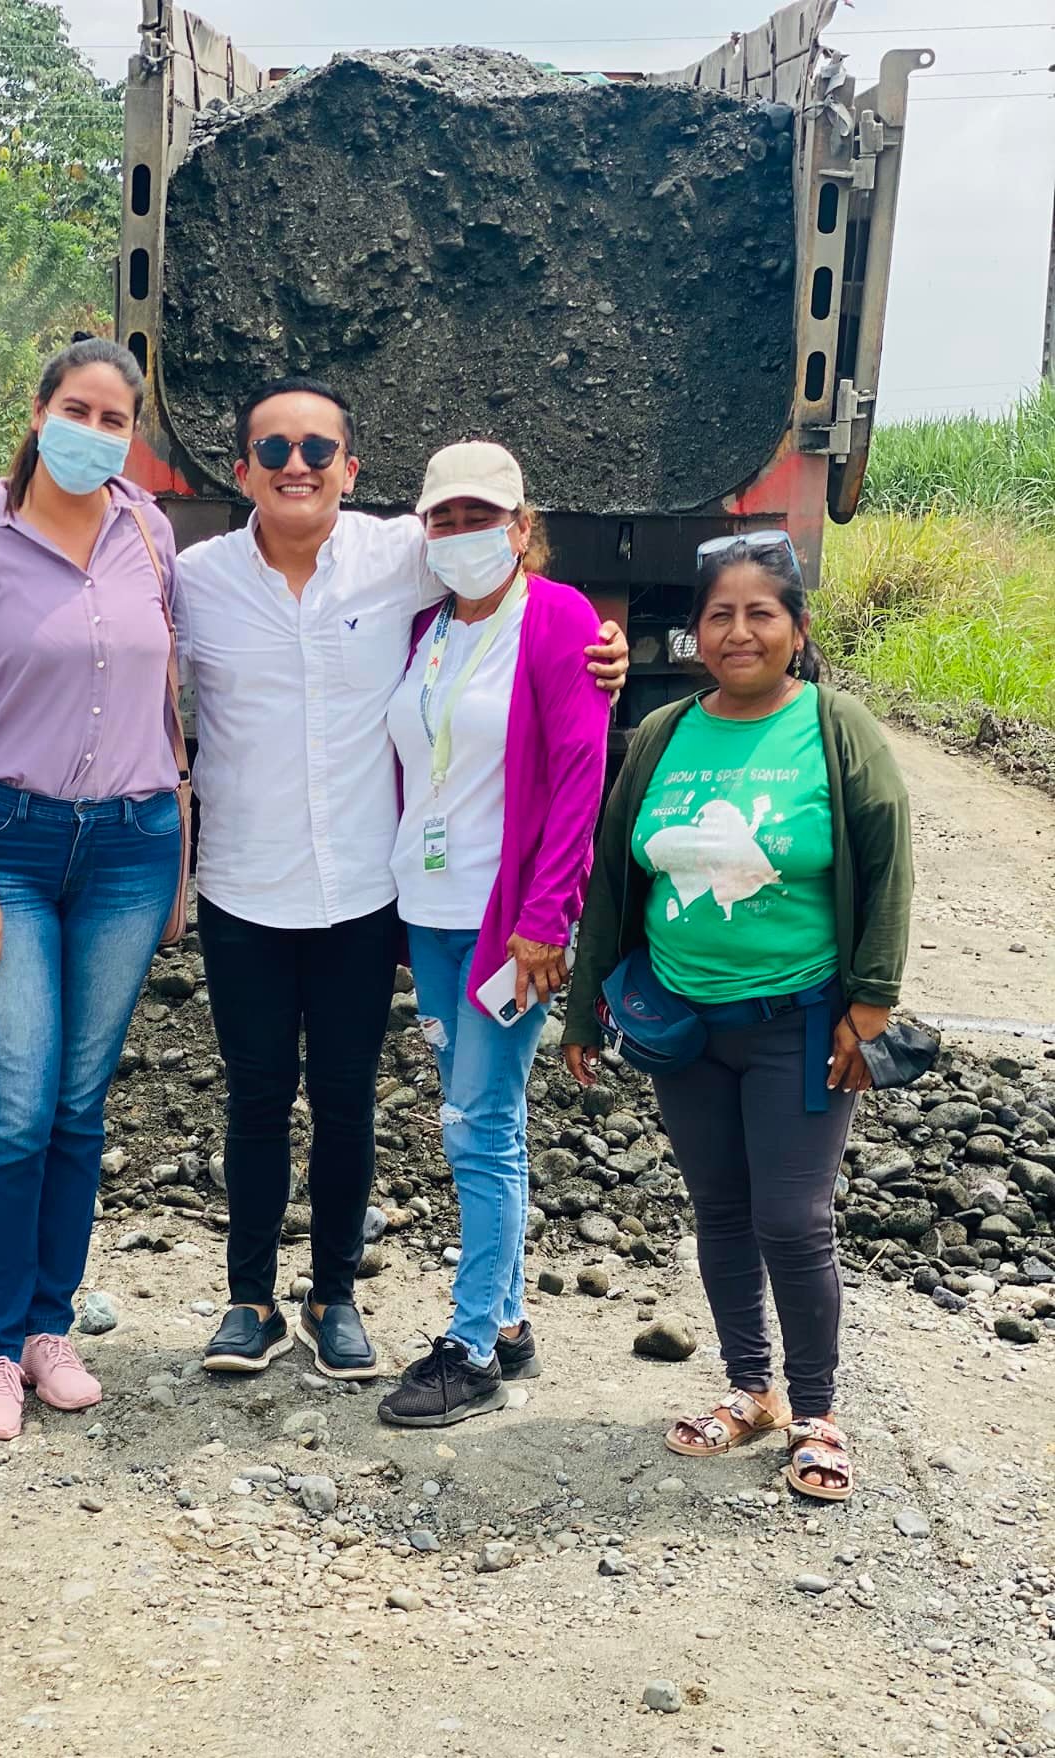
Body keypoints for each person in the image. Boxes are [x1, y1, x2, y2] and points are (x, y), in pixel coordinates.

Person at [176, 378, 628, 1385]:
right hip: (255, 886)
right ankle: (253, 1302)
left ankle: (343, 1301)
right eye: (275, 448)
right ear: (242, 468)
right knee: (258, 1099)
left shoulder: (410, 566)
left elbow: (571, 740)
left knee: (362, 1103)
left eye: (317, 449)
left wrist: (604, 648)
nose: (297, 465)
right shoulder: (200, 579)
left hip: (370, 899)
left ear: (351, 469)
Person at [562, 532, 913, 1501]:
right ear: (696, 632)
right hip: (683, 1024)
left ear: (797, 628)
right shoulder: (664, 734)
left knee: (792, 1221)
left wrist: (869, 1008)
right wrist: (587, 1008)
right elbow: (614, 876)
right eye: (721, 614)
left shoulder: (837, 728)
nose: (740, 631)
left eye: (762, 613)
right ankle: (752, 1389)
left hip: (798, 1020)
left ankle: (817, 1411)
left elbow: (887, 865)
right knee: (719, 1211)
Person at [0, 336, 185, 1442]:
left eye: (115, 420)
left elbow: (180, 688)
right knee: (18, 1104)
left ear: (133, 435)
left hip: (130, 847)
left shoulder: (149, 532)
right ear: (37, 413)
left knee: (79, 1102)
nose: (95, 433)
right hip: (7, 850)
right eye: (78, 411)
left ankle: (46, 1327)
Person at [372, 443, 610, 1428]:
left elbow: (581, 775)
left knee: (479, 1124)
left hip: (506, 926)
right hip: (429, 914)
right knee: (475, 1116)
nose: (462, 533)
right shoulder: (425, 628)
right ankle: (508, 1324)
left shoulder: (559, 620)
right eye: (445, 517)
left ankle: (469, 1348)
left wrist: (547, 918)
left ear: (521, 526)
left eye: (482, 516)